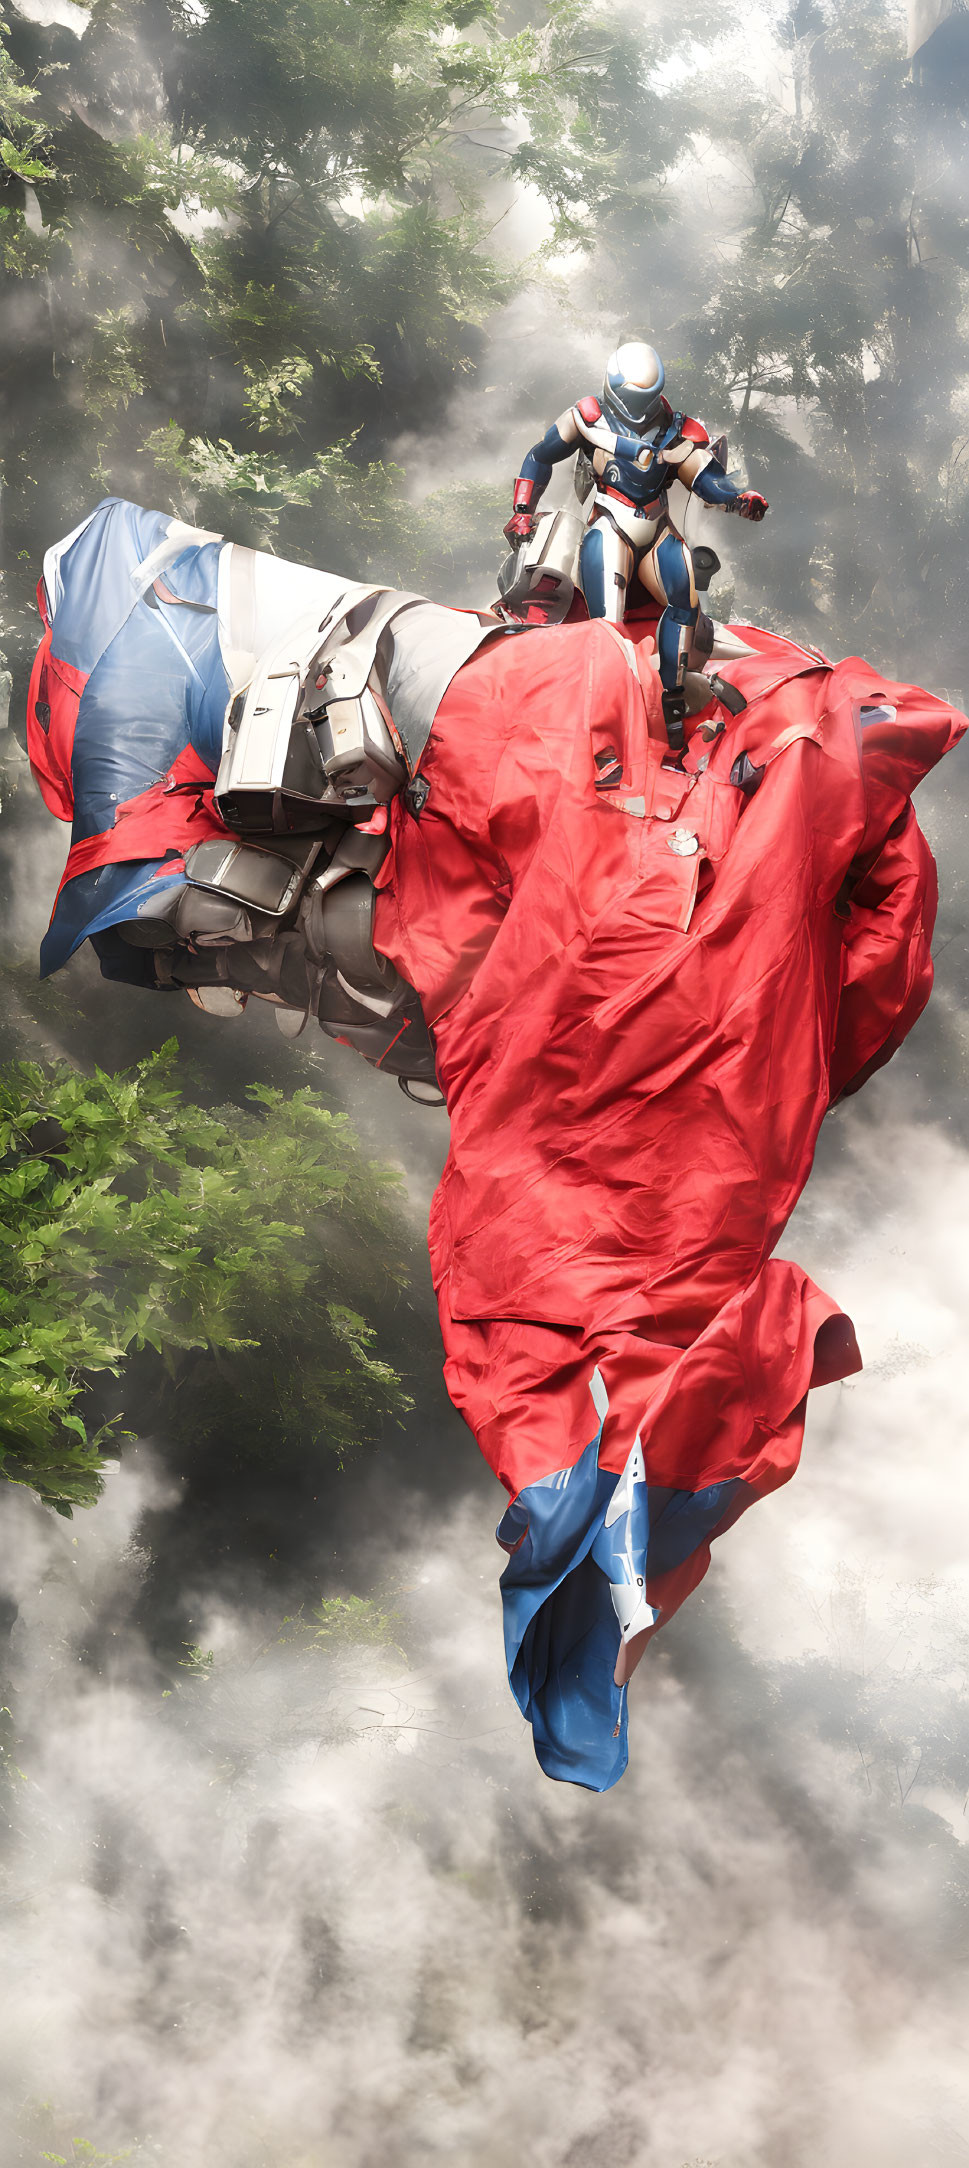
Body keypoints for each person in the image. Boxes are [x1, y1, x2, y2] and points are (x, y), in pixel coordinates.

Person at [25, 497, 966, 1789]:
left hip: (652, 897)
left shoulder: (549, 737)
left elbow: (839, 914)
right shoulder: (560, 744)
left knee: (555, 1225)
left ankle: (602, 1524)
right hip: (664, 899)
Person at [504, 340, 768, 745]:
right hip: (611, 521)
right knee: (606, 628)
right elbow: (540, 456)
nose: (636, 405)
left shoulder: (678, 431)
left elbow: (704, 477)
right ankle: (603, 725)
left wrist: (736, 499)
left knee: (685, 602)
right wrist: (523, 507)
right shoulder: (588, 416)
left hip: (657, 526)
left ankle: (672, 702)